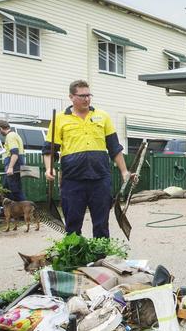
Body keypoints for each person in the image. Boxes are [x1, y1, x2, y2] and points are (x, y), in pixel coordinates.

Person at [43, 80, 132, 237]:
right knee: (72, 224)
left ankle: (101, 256)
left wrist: (124, 171)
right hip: (72, 180)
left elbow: (114, 147)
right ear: (71, 97)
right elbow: (49, 150)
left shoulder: (102, 116)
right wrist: (48, 169)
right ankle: (75, 257)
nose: (87, 99)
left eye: (89, 95)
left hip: (100, 178)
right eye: (82, 96)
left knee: (101, 223)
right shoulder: (60, 119)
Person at [0, 120, 26, 202]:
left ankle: (25, 210)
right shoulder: (14, 135)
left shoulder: (10, 136)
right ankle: (11, 211)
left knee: (15, 190)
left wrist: (10, 167)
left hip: (14, 165)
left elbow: (15, 153)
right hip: (15, 164)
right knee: (6, 189)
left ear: (1, 128)